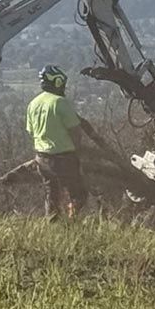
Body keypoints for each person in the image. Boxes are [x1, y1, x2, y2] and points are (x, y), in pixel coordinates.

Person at [25, 65, 111, 219]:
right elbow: (75, 131)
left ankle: (52, 223)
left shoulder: (33, 104)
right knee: (78, 194)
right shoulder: (60, 102)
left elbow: (31, 131)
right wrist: (78, 151)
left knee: (51, 194)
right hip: (63, 158)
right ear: (58, 82)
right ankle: (73, 223)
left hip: (41, 158)